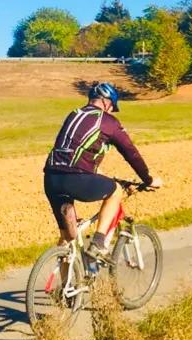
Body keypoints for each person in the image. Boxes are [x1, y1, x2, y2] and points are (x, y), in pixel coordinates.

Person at [43, 81, 162, 270]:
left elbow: (73, 151)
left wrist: (98, 173)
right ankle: (98, 243)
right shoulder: (108, 121)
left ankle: (65, 295)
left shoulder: (74, 114)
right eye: (112, 108)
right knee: (114, 191)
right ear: (107, 103)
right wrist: (148, 178)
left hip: (51, 177)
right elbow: (130, 152)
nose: (111, 111)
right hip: (76, 177)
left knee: (68, 238)